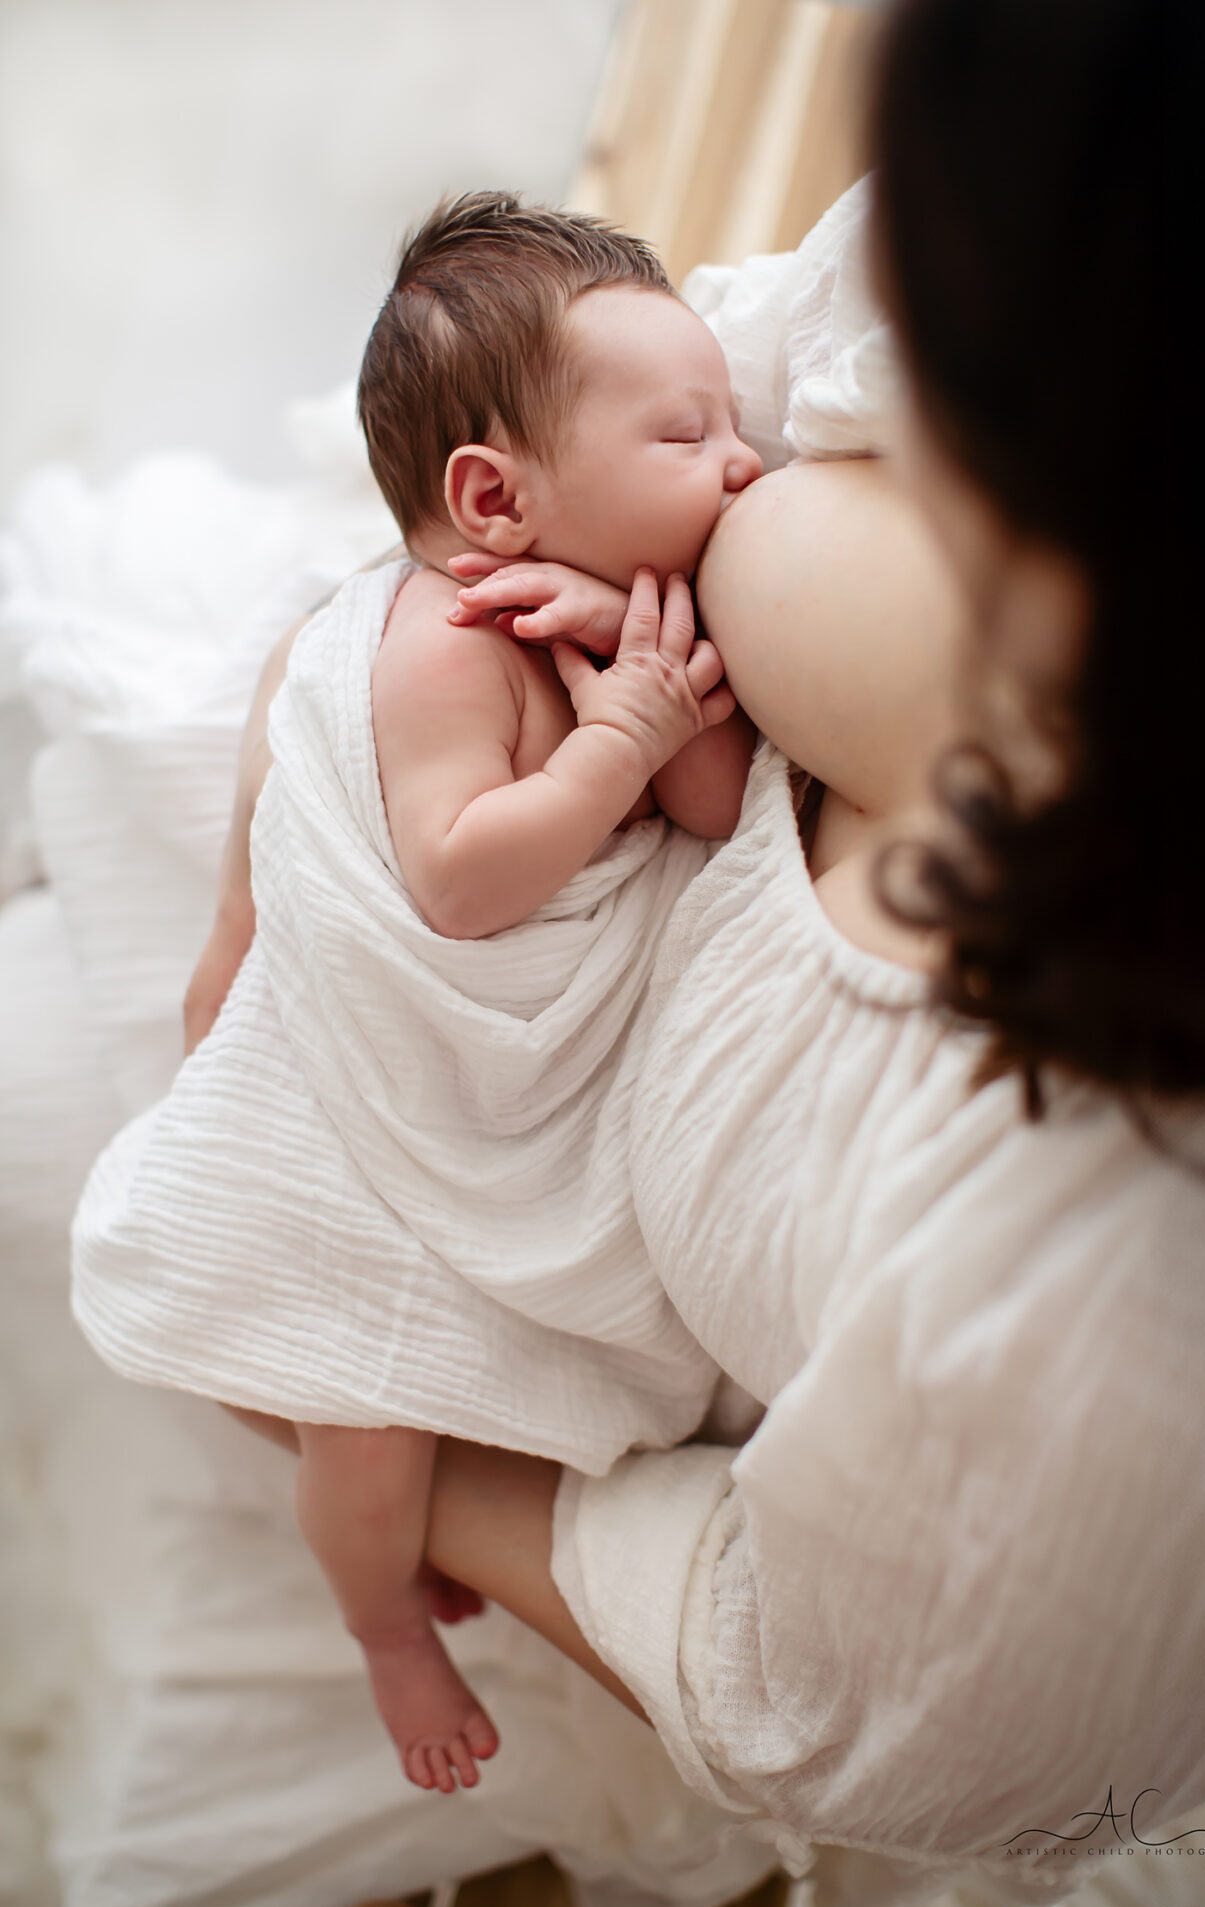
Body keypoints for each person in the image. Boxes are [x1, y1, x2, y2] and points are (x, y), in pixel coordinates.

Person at [180, 0, 1205, 1907]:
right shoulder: (1095, 208)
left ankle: (381, 1612)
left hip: (519, 1358)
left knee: (255, 1393)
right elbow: (621, 421)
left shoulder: (1134, 1309)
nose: (761, 451)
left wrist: (358, 1424)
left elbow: (890, 1728)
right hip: (384, 970)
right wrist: (313, 767)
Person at [71, 193, 763, 1799]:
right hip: (358, 1139)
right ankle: (381, 1621)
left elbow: (718, 811)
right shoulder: (433, 648)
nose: (741, 466)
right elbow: (459, 877)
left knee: (439, 1392)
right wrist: (618, 742)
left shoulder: (609, 612)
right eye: (687, 434)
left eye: (732, 425)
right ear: (490, 497)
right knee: (363, 1432)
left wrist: (639, 688)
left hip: (488, 1098)